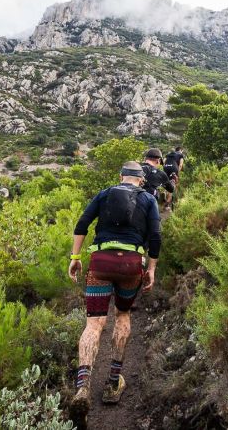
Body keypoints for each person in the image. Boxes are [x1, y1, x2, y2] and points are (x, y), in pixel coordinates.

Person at [68, 161, 162, 421]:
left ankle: (83, 386)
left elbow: (82, 224)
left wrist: (75, 257)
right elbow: (155, 236)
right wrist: (151, 269)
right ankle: (112, 383)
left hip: (101, 262)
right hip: (131, 265)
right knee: (122, 315)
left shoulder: (105, 193)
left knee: (94, 324)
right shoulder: (148, 199)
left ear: (120, 176)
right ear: (141, 180)